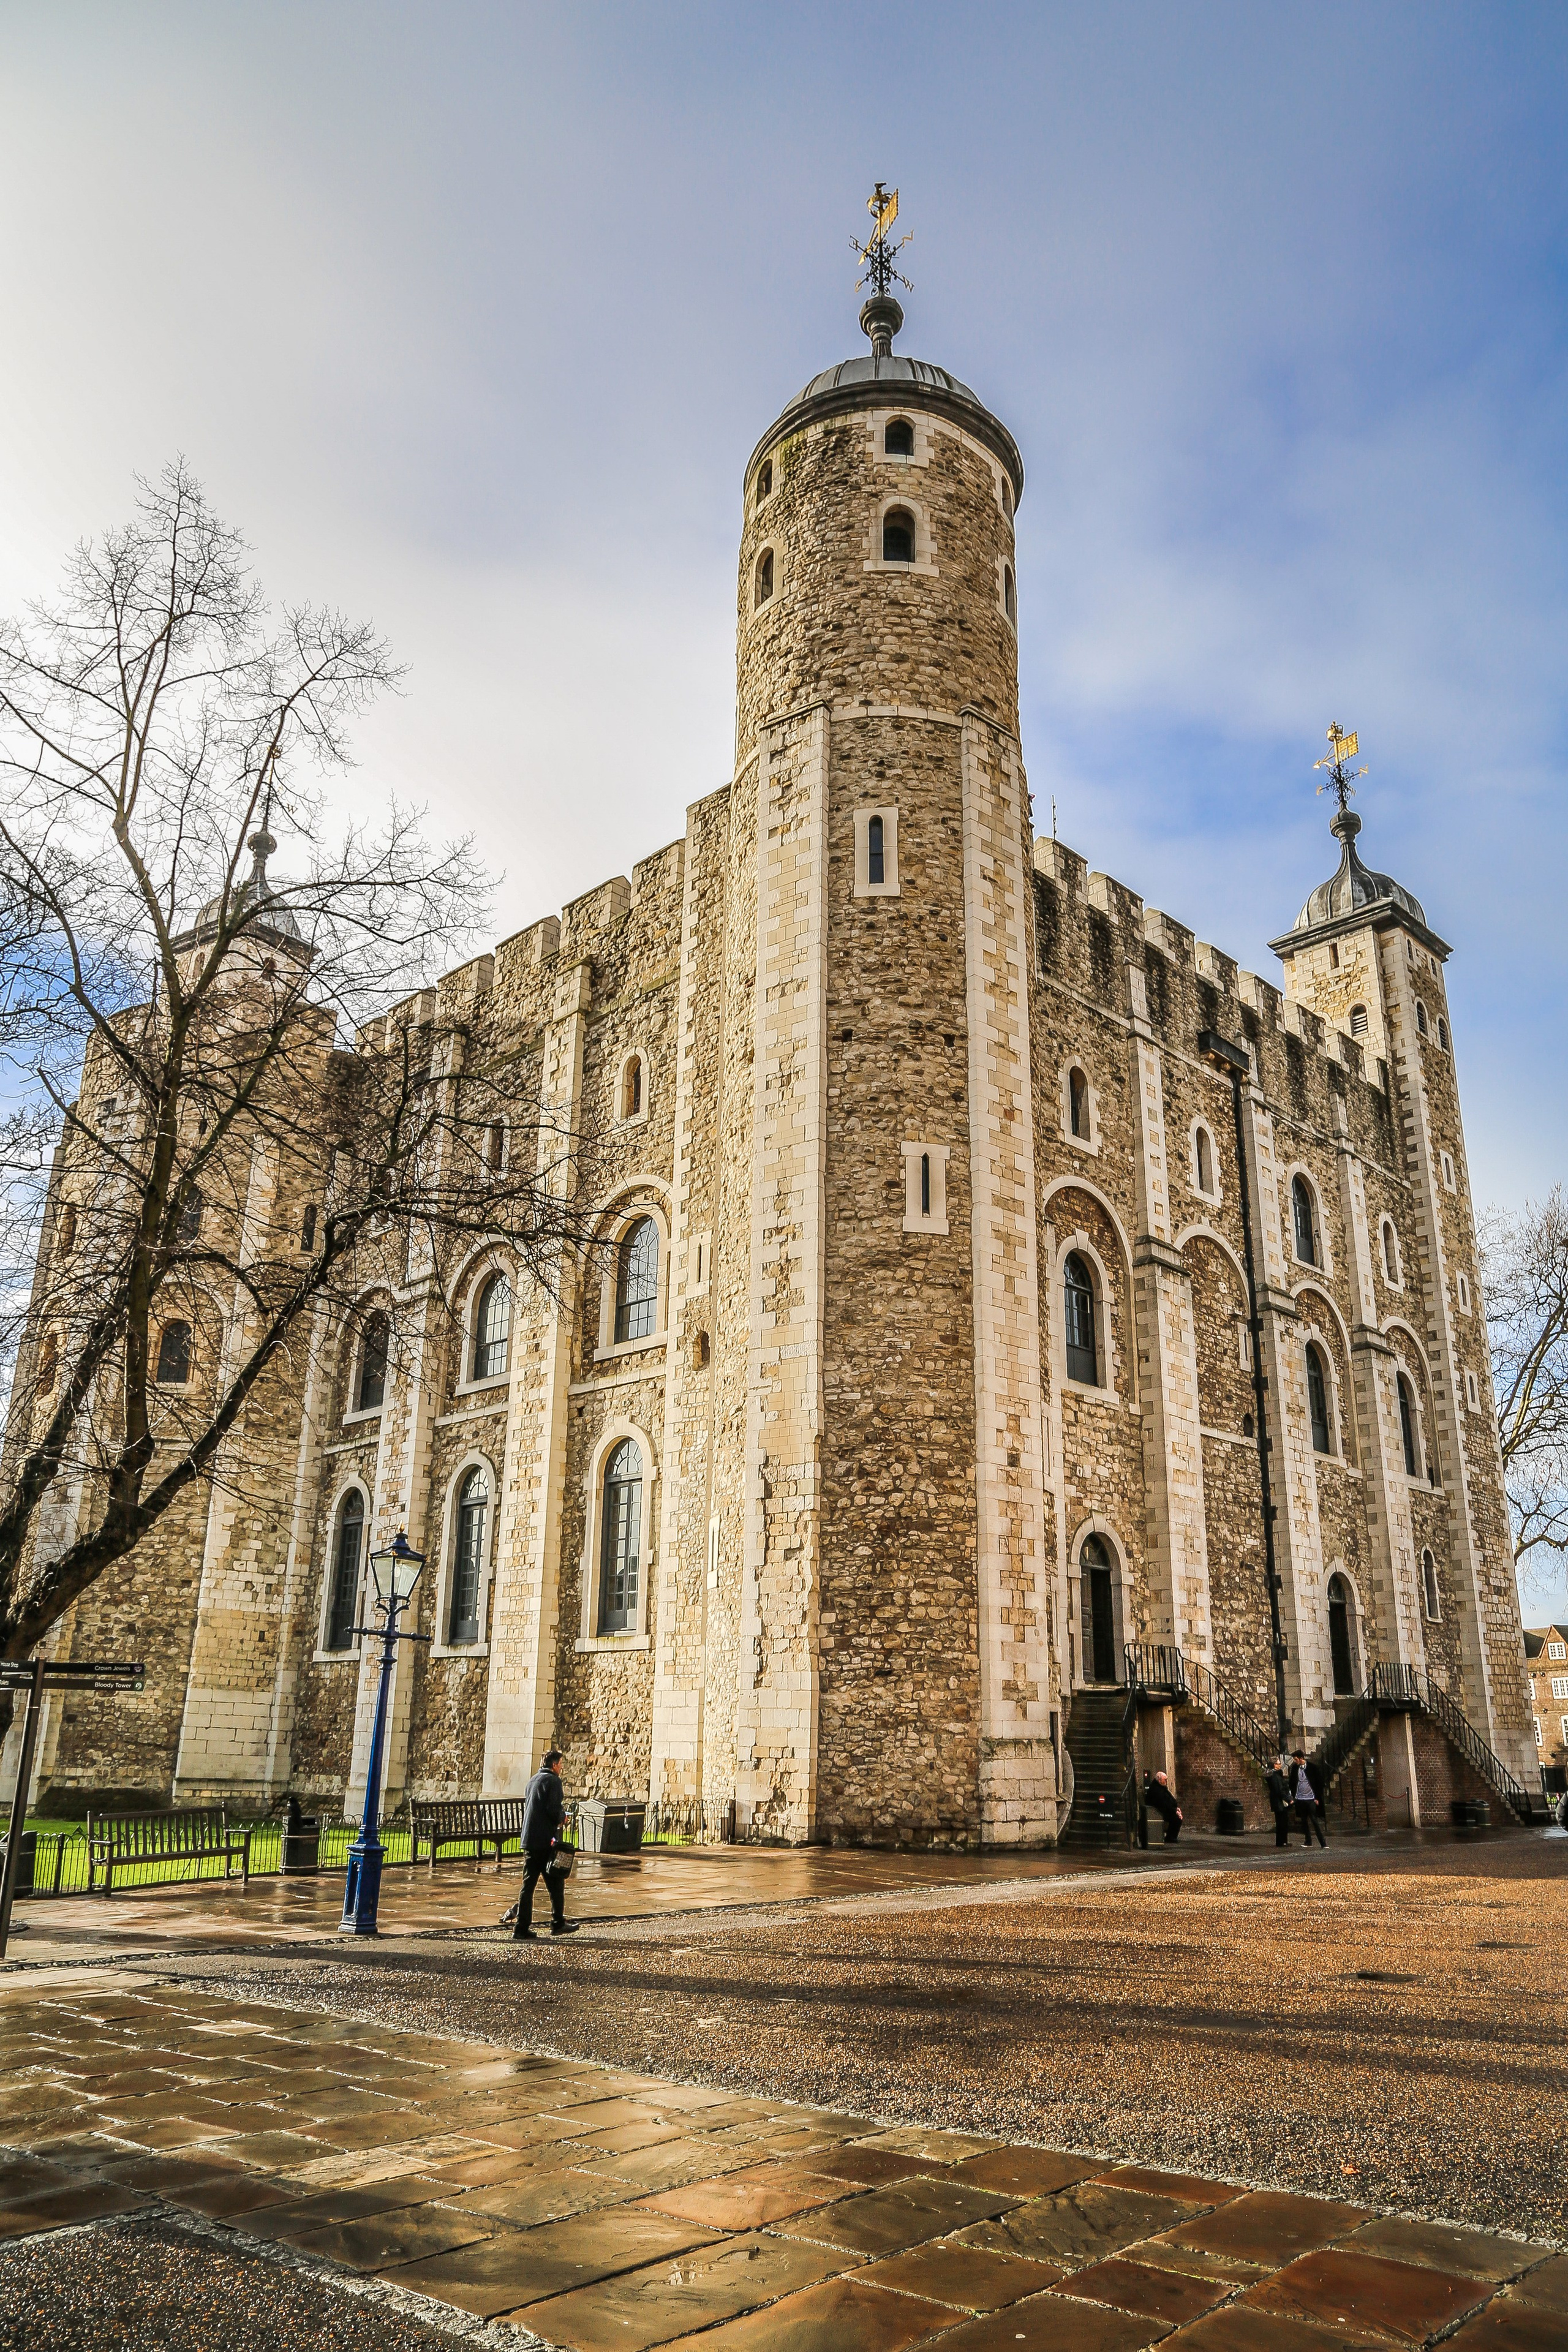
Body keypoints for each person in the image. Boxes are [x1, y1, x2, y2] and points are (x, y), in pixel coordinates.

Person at [511, 1749, 579, 1940]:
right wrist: (562, 1817)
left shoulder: (533, 1780)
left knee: (528, 1886)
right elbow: (553, 1808)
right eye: (561, 1764)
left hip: (530, 1840)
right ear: (555, 1765)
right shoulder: (553, 1781)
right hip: (545, 1840)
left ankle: (521, 1927)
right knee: (556, 1882)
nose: (562, 1768)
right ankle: (557, 1923)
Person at [1292, 1749, 1327, 1848]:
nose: (1295, 1761)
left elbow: (1319, 1783)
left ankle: (1323, 1842)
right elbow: (1292, 1782)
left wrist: (1317, 1798)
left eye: (1296, 1759)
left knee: (1314, 1820)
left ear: (1301, 1758)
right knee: (1303, 1820)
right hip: (1300, 1798)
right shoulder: (1295, 1768)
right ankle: (1308, 1841)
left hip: (1311, 1798)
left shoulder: (1312, 1768)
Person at [1145, 1768, 1183, 1844]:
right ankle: (1171, 1837)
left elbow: (1168, 1801)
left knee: (1177, 1817)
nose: (1166, 1781)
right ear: (1159, 1780)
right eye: (1164, 1780)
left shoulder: (1161, 1788)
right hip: (1158, 1812)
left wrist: (1176, 1809)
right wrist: (1175, 1811)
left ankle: (1171, 1837)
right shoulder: (1156, 1790)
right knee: (1176, 1819)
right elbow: (1163, 1803)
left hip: (1164, 1810)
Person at [1265, 1755, 1294, 1849]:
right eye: (1278, 1764)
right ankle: (1282, 1842)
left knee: (1281, 1821)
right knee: (1282, 1822)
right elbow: (1279, 1789)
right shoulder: (1274, 1776)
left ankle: (1282, 1841)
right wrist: (1289, 1799)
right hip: (1279, 1801)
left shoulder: (1275, 1775)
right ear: (1274, 1765)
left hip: (1277, 1801)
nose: (1280, 1765)